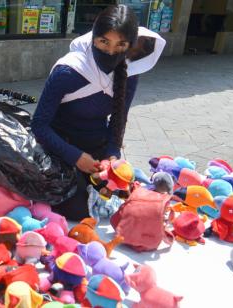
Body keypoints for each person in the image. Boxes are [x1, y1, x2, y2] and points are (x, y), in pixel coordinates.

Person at [31, 5, 166, 221]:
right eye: (104, 42)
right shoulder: (68, 71)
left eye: (120, 44)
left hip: (96, 150)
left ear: (129, 45)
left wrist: (111, 157)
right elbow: (39, 126)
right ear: (93, 37)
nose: (111, 52)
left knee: (118, 194)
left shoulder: (129, 73)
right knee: (79, 209)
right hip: (58, 147)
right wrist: (75, 157)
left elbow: (118, 121)